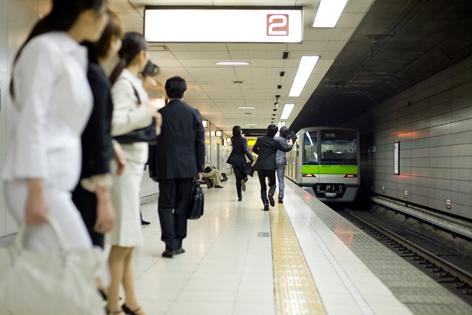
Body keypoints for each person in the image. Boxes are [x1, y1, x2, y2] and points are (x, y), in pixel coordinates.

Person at [2, 0, 107, 249]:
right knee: (83, 268)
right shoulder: (44, 49)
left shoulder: (73, 56)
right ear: (86, 15)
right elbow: (31, 122)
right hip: (37, 182)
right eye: (102, 13)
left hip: (57, 179)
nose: (105, 21)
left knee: (55, 275)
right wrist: (36, 191)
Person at [70, 9, 125, 299]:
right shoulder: (95, 77)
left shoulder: (79, 69)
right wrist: (103, 196)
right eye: (116, 38)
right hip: (86, 182)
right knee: (91, 252)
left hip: (71, 175)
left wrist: (112, 144)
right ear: (108, 40)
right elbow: (94, 136)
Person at [106, 32, 162, 315]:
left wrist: (152, 120)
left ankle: (130, 301)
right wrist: (147, 115)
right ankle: (113, 304)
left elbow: (135, 124)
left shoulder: (130, 83)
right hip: (122, 170)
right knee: (123, 240)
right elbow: (114, 124)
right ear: (141, 54)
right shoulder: (124, 84)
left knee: (128, 239)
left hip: (129, 169)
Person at [148, 76, 205, 258]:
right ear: (184, 91)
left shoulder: (159, 114)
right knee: (182, 204)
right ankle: (178, 242)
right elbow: (199, 143)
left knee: (165, 205)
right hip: (188, 168)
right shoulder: (194, 113)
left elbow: (153, 143)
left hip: (165, 168)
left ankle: (169, 243)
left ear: (166, 91)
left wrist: (153, 169)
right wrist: (200, 168)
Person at [137, 60, 160, 226]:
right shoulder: (125, 89)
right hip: (127, 158)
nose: (154, 83)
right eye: (152, 77)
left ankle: (137, 217)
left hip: (137, 157)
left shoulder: (140, 96)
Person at [252, 124, 293, 210]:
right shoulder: (275, 142)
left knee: (263, 186)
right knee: (273, 184)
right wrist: (290, 144)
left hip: (260, 165)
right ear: (275, 133)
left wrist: (260, 153)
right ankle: (271, 193)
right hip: (270, 165)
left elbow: (254, 149)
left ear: (267, 130)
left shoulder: (260, 139)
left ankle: (266, 204)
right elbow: (286, 149)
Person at [227, 126, 254, 201]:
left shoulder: (233, 139)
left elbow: (236, 139)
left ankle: (239, 196)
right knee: (245, 175)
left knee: (237, 178)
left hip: (234, 161)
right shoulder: (243, 140)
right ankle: (244, 180)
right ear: (240, 131)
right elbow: (245, 151)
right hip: (241, 161)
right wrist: (252, 160)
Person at [275, 126, 292, 204]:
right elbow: (289, 148)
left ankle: (271, 190)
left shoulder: (275, 139)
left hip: (274, 160)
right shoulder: (287, 141)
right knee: (281, 180)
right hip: (282, 161)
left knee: (271, 178)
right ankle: (281, 196)